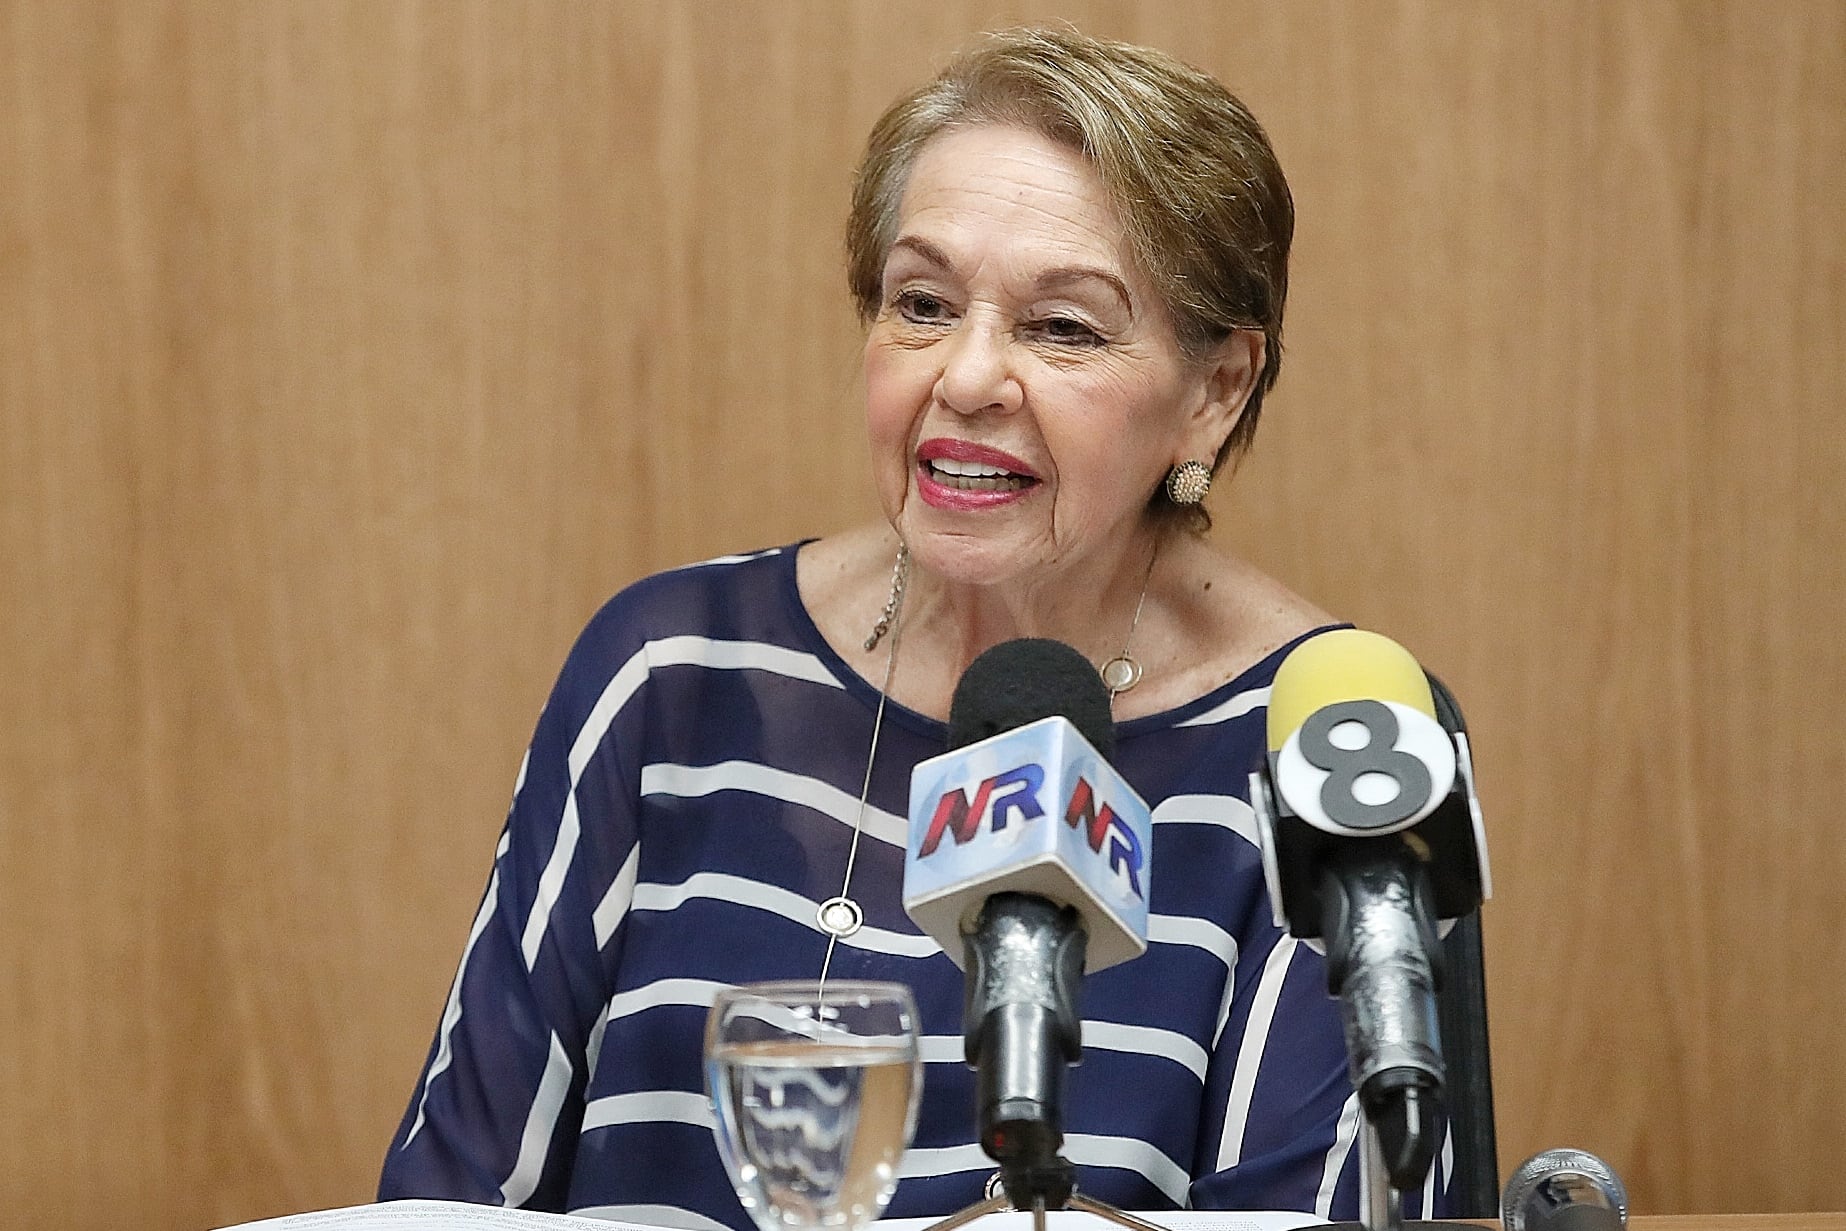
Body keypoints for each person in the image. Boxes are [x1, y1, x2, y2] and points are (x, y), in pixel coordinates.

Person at [380, 26, 1453, 1226]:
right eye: (924, 304)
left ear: (1215, 389)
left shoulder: (1320, 740)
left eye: (1062, 327)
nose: (967, 377)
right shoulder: (671, 673)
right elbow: (451, 1194)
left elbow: (1308, 1213)